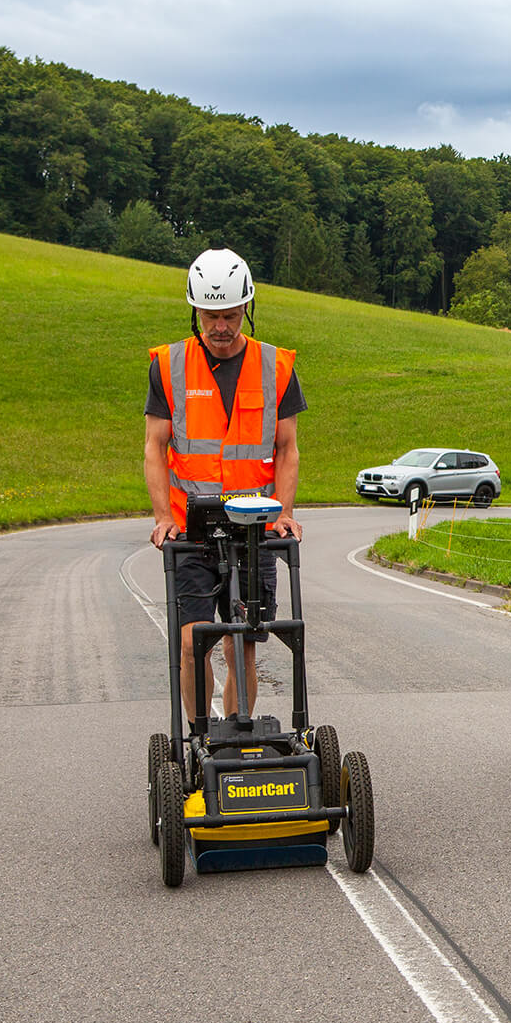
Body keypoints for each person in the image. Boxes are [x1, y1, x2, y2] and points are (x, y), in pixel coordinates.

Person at [143, 248, 307, 725]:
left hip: (254, 528)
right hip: (191, 532)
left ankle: (239, 736)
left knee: (243, 645)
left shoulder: (276, 366)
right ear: (195, 310)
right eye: (211, 316)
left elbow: (287, 449)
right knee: (192, 642)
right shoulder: (170, 366)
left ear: (246, 309)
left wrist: (284, 513)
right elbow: (154, 447)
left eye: (230, 316)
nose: (220, 327)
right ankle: (201, 736)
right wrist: (163, 518)